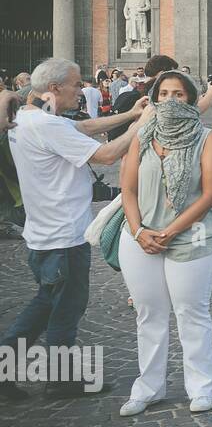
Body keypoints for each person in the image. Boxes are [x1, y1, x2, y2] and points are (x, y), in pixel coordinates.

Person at [0, 58, 151, 401]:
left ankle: (5, 371)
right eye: (74, 83)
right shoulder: (48, 126)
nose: (80, 88)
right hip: (63, 236)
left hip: (43, 235)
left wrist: (130, 115)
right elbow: (107, 154)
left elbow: (83, 129)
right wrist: (142, 126)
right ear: (54, 89)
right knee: (65, 309)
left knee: (44, 304)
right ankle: (61, 381)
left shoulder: (30, 117)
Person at [117, 71, 212, 417]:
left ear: (191, 99)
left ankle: (202, 386)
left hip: (190, 236)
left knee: (191, 313)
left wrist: (171, 231)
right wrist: (138, 231)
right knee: (148, 315)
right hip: (140, 237)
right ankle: (149, 387)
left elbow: (210, 194)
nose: (170, 100)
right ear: (154, 97)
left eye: (178, 94)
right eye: (163, 93)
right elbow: (127, 190)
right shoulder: (142, 137)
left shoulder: (206, 138)